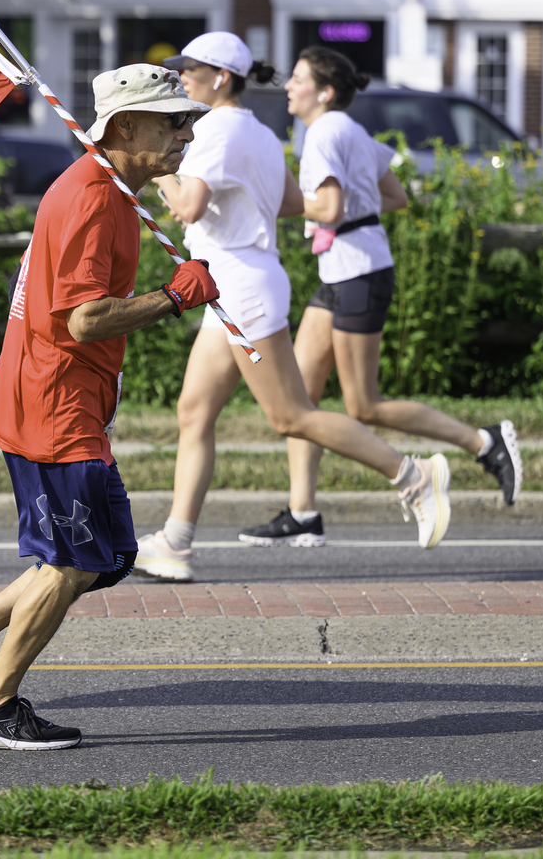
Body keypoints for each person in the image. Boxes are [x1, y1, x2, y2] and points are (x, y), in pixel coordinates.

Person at [0, 63, 221, 750]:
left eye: (188, 119)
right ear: (124, 127)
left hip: (66, 403)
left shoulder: (111, 192)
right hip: (53, 407)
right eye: (172, 119)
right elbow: (83, 320)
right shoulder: (91, 197)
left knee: (106, 556)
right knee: (74, 561)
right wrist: (175, 297)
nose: (186, 130)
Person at [133, 32, 452, 586]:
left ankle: (412, 474)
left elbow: (188, 204)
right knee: (194, 412)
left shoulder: (216, 130)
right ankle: (175, 543)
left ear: (222, 79)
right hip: (229, 281)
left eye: (192, 70)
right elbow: (286, 203)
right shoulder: (257, 131)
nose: (182, 77)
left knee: (291, 415)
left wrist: (152, 165)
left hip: (240, 285)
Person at [238, 45, 521, 550]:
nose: (288, 86)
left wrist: (271, 204)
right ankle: (303, 513)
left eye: (298, 79)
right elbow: (396, 196)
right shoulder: (348, 129)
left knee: (363, 404)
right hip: (350, 267)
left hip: (356, 273)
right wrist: (347, 218)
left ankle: (482, 442)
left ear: (323, 92)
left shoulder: (324, 132)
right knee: (301, 396)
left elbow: (327, 206)